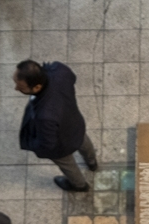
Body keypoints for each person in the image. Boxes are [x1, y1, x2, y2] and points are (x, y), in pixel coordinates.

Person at [15, 59, 98, 193]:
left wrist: (32, 144)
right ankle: (92, 162)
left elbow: (47, 144)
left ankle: (79, 185)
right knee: (84, 142)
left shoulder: (44, 116)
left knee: (68, 165)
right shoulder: (60, 72)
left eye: (21, 87)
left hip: (62, 145)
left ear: (37, 87)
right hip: (75, 124)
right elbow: (71, 77)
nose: (16, 88)